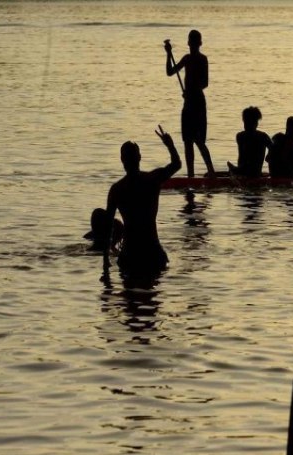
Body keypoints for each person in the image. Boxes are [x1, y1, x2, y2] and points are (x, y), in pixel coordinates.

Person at [102, 125, 181, 280]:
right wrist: (170, 145)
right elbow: (176, 164)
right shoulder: (152, 179)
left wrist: (105, 264)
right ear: (139, 158)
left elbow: (107, 229)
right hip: (153, 252)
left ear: (122, 160)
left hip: (129, 255)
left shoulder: (117, 189)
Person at [165, 29, 216, 179]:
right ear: (188, 43)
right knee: (187, 142)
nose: (193, 45)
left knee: (199, 140)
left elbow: (205, 83)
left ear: (199, 43)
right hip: (188, 105)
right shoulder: (186, 59)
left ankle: (211, 171)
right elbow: (170, 72)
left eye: (195, 42)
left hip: (198, 103)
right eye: (191, 42)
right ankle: (190, 175)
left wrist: (191, 91)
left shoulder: (203, 59)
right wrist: (168, 54)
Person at [231, 106, 272, 178]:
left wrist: (268, 156)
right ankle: (239, 171)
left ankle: (239, 171)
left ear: (255, 123)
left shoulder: (262, 136)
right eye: (245, 122)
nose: (246, 125)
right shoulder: (240, 136)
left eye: (248, 122)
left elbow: (274, 151)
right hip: (246, 171)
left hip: (254, 172)